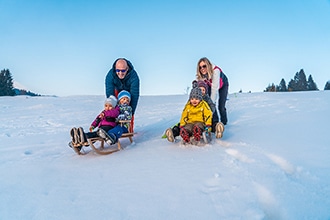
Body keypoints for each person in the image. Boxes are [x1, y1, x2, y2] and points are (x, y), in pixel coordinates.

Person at [105, 58, 140, 132]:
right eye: (118, 70)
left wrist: (130, 114)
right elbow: (110, 96)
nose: (120, 73)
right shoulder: (110, 75)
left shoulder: (134, 77)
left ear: (127, 69)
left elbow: (134, 96)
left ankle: (128, 129)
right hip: (116, 91)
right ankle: (112, 130)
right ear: (115, 69)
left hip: (128, 92)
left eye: (123, 70)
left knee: (128, 109)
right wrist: (112, 111)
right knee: (113, 110)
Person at [196, 57, 229, 126]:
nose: (202, 69)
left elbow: (214, 90)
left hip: (223, 85)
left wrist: (211, 105)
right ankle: (215, 122)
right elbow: (198, 84)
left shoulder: (216, 71)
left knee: (221, 105)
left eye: (204, 66)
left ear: (208, 65)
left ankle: (224, 122)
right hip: (211, 85)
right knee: (208, 101)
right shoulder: (202, 74)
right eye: (200, 67)